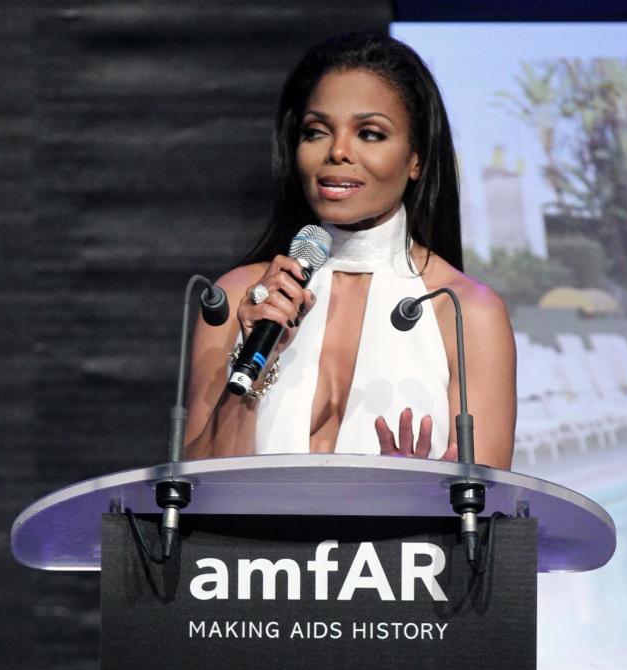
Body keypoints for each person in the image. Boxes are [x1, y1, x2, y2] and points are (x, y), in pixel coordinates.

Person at [184, 32, 515, 469]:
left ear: (416, 158)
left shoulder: (465, 311)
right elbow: (194, 494)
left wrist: (417, 497)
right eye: (316, 132)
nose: (337, 152)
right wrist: (254, 369)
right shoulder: (241, 297)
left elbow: (487, 514)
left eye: (370, 134)